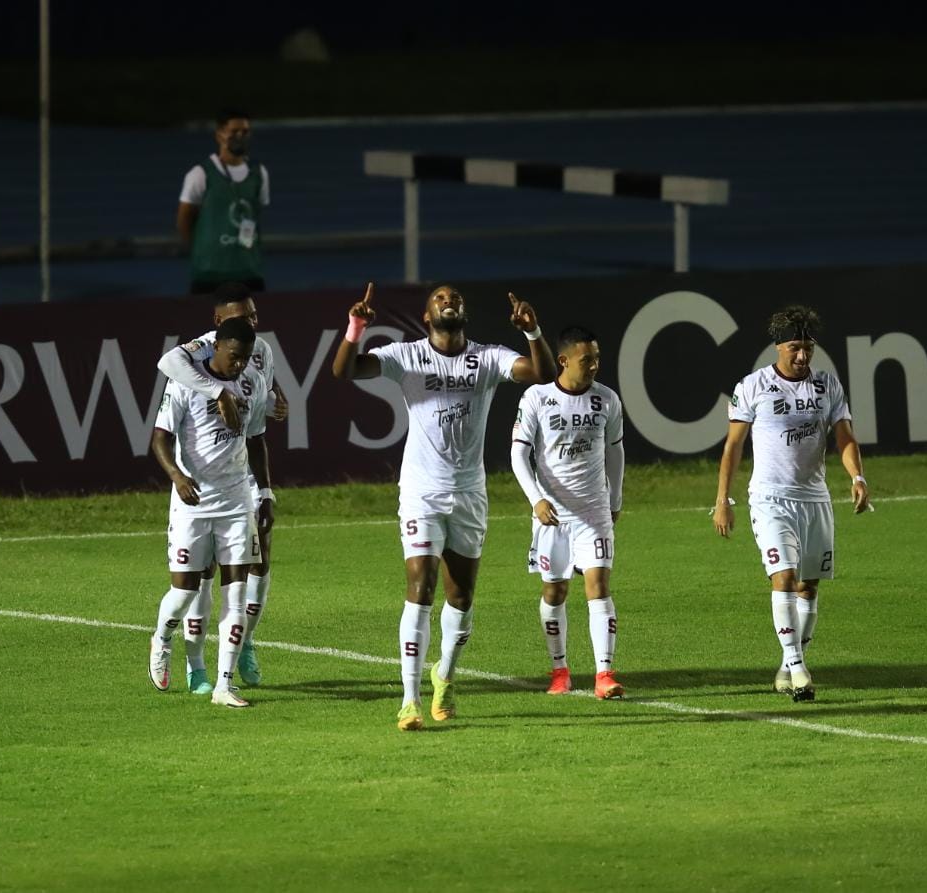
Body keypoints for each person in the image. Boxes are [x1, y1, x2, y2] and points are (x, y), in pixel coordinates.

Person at [332, 282, 557, 731]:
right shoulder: (408, 356)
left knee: (462, 595)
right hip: (421, 490)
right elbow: (346, 371)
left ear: (463, 313)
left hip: (469, 492)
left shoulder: (488, 357)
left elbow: (543, 373)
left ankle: (445, 674)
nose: (449, 300)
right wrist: (356, 328)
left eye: (455, 297)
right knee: (422, 585)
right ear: (428, 313)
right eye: (440, 298)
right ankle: (410, 699)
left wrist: (533, 332)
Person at [712, 305, 870, 702]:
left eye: (808, 348)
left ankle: (787, 663)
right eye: (794, 348)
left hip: (814, 499)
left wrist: (857, 476)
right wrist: (722, 499)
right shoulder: (753, 386)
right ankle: (800, 671)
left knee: (808, 585)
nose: (802, 356)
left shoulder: (827, 386)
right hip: (770, 499)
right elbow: (733, 447)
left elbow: (845, 438)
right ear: (778, 347)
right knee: (782, 576)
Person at [157, 282, 288, 694]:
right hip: (197, 493)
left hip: (239, 487)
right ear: (217, 325)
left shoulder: (258, 353)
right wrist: (217, 391)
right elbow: (168, 367)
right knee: (194, 581)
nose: (251, 323)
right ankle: (188, 656)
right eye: (240, 318)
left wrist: (275, 401)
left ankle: (239, 651)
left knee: (256, 564)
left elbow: (258, 422)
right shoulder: (193, 361)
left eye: (253, 315)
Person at [510, 326, 626, 699]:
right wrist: (536, 500)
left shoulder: (606, 400)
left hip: (593, 510)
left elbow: (615, 452)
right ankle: (559, 669)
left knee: (599, 586)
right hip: (552, 514)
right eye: (586, 359)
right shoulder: (537, 398)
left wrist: (616, 498)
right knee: (555, 590)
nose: (594, 365)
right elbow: (518, 454)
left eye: (596, 358)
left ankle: (604, 674)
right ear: (563, 361)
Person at [177, 108, 270, 294]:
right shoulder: (200, 174)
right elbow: (184, 220)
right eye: (234, 131)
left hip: (248, 273)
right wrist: (199, 253)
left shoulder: (259, 173)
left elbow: (257, 213)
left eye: (245, 132)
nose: (240, 136)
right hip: (209, 274)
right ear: (219, 134)